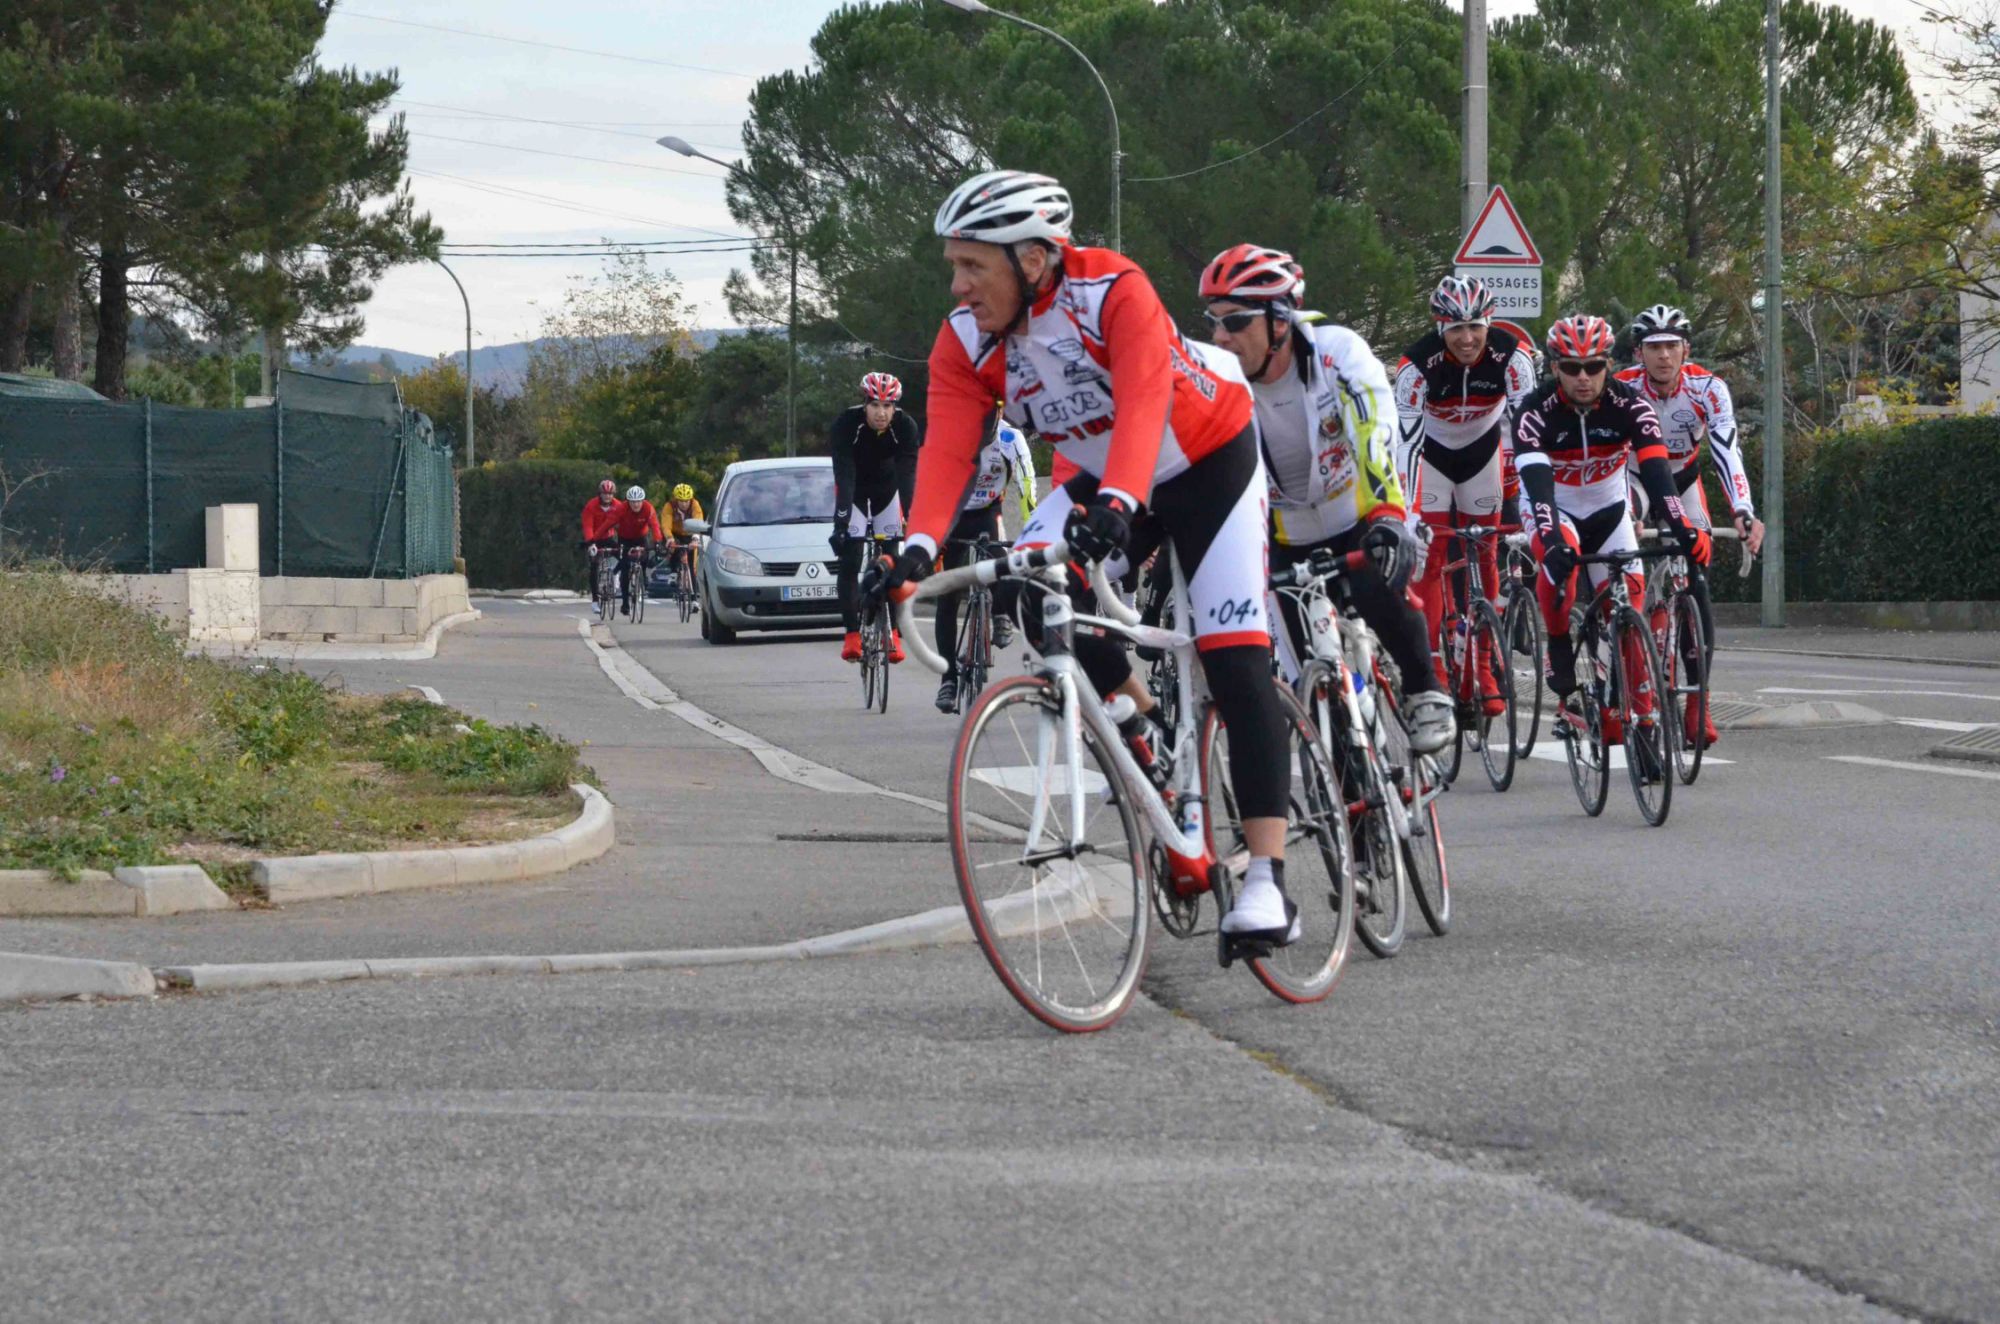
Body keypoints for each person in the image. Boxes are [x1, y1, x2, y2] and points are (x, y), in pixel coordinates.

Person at [878, 168, 1300, 946]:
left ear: (1033, 259)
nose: (959, 285)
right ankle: (1143, 726)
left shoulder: (1111, 290)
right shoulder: (965, 338)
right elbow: (948, 449)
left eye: (973, 265)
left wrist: (1119, 503)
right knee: (1033, 591)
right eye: (954, 266)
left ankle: (1268, 881)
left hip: (1206, 457)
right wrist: (916, 548)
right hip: (1108, 479)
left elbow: (1142, 400)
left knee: (1235, 658)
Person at [1199, 243, 1454, 755]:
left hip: (1356, 511)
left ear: (1280, 321)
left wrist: (1388, 517)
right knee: (1318, 705)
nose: (1220, 336)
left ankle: (1424, 687)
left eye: (1236, 321)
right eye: (1214, 322)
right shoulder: (1217, 377)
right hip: (1283, 531)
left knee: (1379, 587)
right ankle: (1349, 785)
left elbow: (1376, 433)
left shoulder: (1338, 353)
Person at [1514, 315, 1703, 766]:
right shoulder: (1534, 411)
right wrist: (1551, 540)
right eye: (1572, 368)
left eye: (1594, 367)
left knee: (1630, 613)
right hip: (1554, 507)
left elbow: (1657, 473)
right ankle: (1559, 642)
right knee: (1558, 567)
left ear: (1609, 366)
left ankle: (1644, 724)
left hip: (1610, 508)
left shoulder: (1631, 405)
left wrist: (1683, 527)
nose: (1583, 378)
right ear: (1554, 368)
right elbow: (1538, 488)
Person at [1614, 304, 1764, 748]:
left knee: (1697, 577)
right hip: (1633, 479)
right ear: (1638, 353)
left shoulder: (1708, 388)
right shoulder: (1622, 388)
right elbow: (1610, 456)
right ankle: (1627, 663)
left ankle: (1699, 699)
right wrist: (1626, 517)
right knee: (1624, 560)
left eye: (1671, 346)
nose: (1663, 356)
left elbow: (1727, 450)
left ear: (1686, 350)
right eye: (1654, 347)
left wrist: (1743, 510)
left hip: (1683, 480)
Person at [1394, 276, 1538, 717]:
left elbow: (1529, 436)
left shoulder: (1513, 358)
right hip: (1432, 456)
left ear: (1489, 323)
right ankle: (1433, 668)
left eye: (1476, 326)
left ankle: (1483, 665)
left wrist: (1535, 502)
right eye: (1456, 328)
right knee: (1429, 558)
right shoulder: (1416, 366)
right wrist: (1408, 511)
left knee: (1487, 552)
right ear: (1440, 327)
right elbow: (1407, 444)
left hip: (1481, 455)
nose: (1468, 338)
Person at [932, 404, 1038, 711]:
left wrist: (1032, 536)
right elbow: (933, 485)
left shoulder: (1010, 439)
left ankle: (1000, 612)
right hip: (952, 511)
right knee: (947, 594)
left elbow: (1027, 488)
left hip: (987, 512)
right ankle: (948, 679)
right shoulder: (951, 434)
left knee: (1000, 564)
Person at [830, 373, 921, 664]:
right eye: (875, 405)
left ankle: (892, 634)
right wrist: (841, 524)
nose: (881, 413)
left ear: (895, 408)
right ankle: (852, 635)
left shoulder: (905, 427)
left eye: (887, 406)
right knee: (851, 557)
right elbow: (844, 475)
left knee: (892, 561)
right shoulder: (846, 424)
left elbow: (908, 475)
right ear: (865, 404)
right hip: (855, 490)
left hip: (887, 491)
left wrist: (914, 518)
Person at [604, 484, 663, 617]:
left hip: (641, 537)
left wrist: (658, 542)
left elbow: (655, 526)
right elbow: (608, 524)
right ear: (628, 502)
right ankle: (625, 602)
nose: (636, 504)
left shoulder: (648, 508)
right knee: (625, 568)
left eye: (638, 501)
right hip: (625, 538)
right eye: (633, 502)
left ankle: (643, 576)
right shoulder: (622, 508)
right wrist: (594, 539)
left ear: (643, 501)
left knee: (645, 555)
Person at [662, 481, 703, 606]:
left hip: (690, 534)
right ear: (676, 499)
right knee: (674, 547)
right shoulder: (669, 506)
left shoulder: (695, 505)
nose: (684, 504)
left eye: (686, 501)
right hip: (675, 534)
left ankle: (694, 599)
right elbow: (666, 525)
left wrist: (695, 539)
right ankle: (674, 572)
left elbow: (698, 521)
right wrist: (669, 538)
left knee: (691, 565)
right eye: (681, 501)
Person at [580, 479, 623, 595]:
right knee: (594, 565)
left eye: (610, 494)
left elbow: (623, 525)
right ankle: (595, 598)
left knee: (625, 557)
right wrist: (591, 543)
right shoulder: (591, 506)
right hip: (594, 539)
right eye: (605, 493)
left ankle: (615, 574)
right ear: (600, 494)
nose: (607, 496)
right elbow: (588, 526)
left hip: (609, 538)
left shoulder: (618, 506)